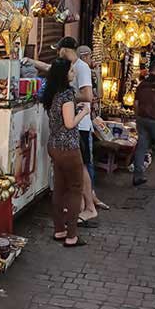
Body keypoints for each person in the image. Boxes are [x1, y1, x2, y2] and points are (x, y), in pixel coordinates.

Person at [24, 37, 99, 226]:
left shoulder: (79, 69)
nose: (57, 54)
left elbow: (88, 96)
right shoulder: (69, 70)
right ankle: (81, 207)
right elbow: (53, 69)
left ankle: (88, 207)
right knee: (74, 174)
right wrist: (32, 62)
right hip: (69, 132)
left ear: (65, 50)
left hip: (76, 129)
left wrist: (68, 100)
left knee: (80, 170)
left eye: (59, 51)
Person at [41, 58, 90, 247]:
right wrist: (84, 113)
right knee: (75, 190)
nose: (74, 73)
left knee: (59, 189)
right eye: (71, 71)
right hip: (68, 148)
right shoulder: (67, 95)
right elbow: (69, 124)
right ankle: (72, 236)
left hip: (54, 146)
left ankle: (59, 230)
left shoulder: (52, 93)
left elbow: (61, 118)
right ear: (64, 74)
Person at [77, 45, 109, 211]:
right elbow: (92, 96)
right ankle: (89, 199)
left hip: (86, 122)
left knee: (85, 162)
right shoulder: (80, 70)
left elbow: (99, 94)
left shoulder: (86, 72)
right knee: (85, 162)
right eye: (90, 57)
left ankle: (89, 198)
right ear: (86, 56)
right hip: (81, 123)